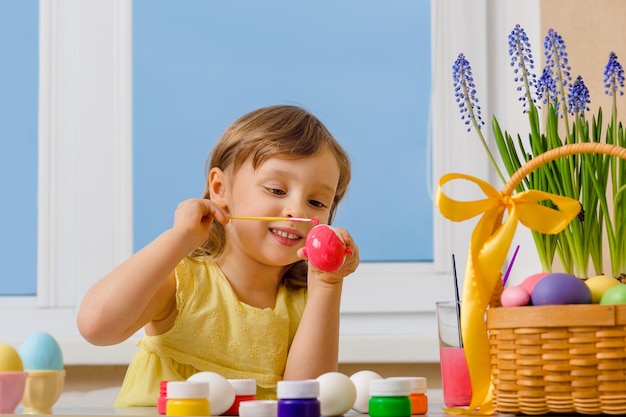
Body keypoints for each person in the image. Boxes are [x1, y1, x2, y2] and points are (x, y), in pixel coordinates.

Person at [77, 104, 360, 406]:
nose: (297, 211)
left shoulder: (304, 303)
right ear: (220, 189)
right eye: (277, 190)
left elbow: (307, 402)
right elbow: (96, 326)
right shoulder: (184, 283)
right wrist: (180, 238)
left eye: (316, 202)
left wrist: (328, 285)